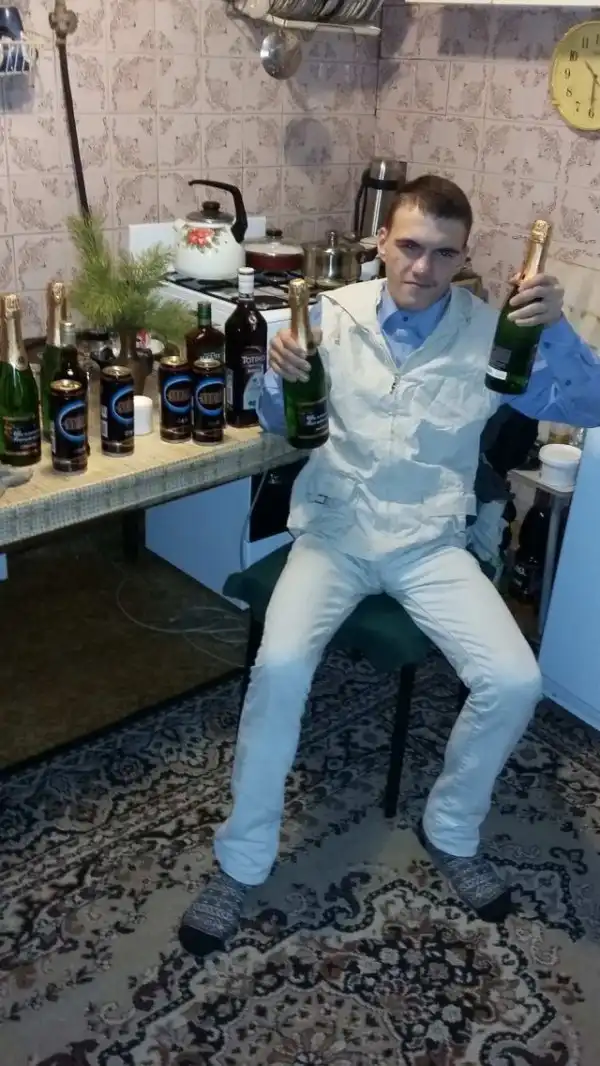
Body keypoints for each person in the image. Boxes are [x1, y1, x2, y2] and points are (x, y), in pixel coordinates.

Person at [179, 175, 600, 958]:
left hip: (429, 543)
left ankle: (452, 829)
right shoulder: (330, 317)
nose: (421, 267)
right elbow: (277, 422)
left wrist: (560, 330)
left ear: (464, 257)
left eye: (443, 254)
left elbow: (589, 406)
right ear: (381, 241)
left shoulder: (494, 332)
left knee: (515, 680)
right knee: (279, 668)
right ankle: (242, 861)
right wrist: (274, 377)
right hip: (334, 534)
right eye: (408, 246)